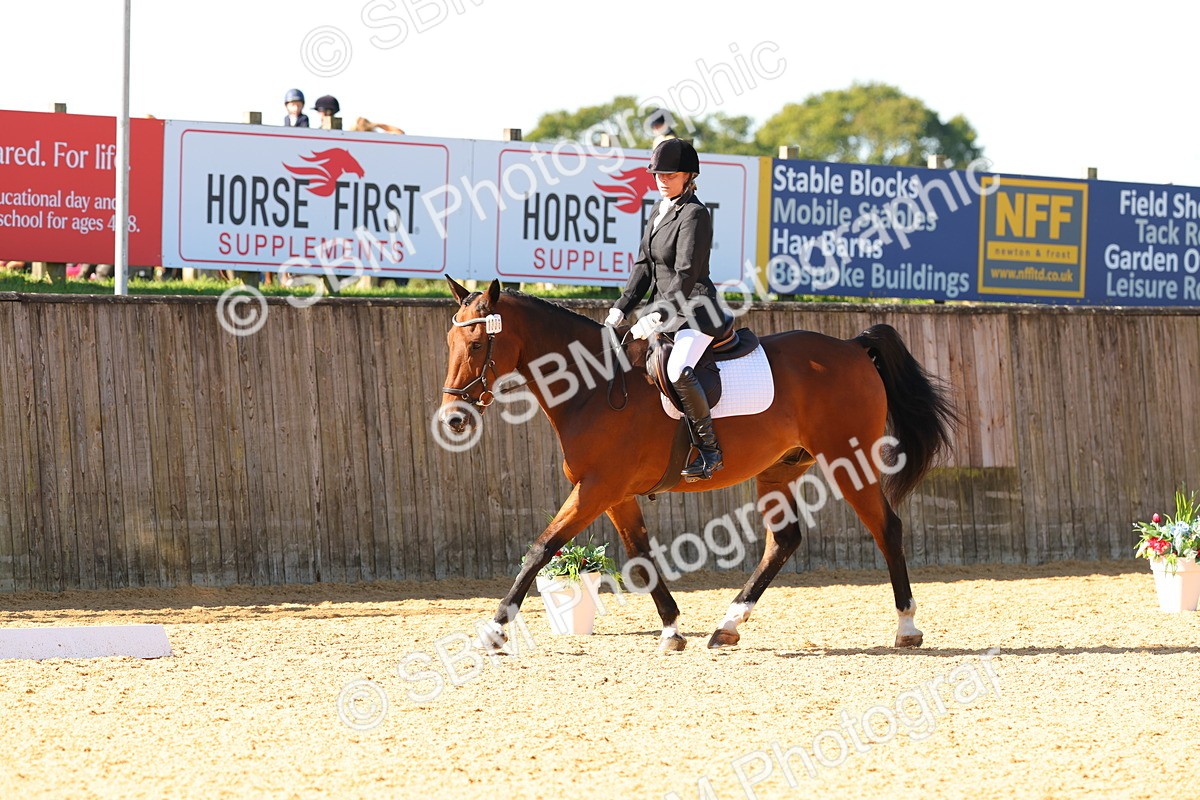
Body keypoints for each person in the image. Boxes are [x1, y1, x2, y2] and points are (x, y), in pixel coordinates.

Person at [604, 138, 729, 481]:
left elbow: (687, 273)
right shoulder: (659, 211)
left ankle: (709, 451)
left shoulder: (695, 214)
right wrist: (622, 307)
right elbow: (644, 266)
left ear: (689, 175)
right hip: (662, 311)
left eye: (670, 174)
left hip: (695, 311)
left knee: (678, 371)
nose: (661, 179)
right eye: (658, 173)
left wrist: (659, 314)